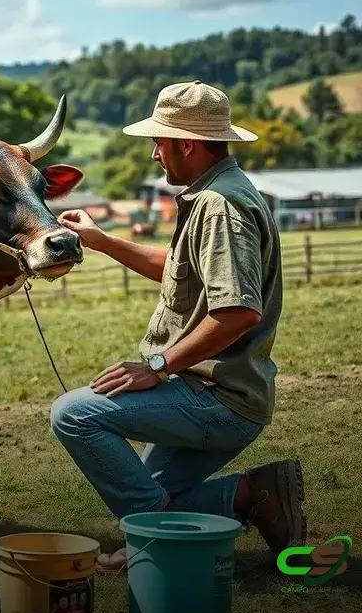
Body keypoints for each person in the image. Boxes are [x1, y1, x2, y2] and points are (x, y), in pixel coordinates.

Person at [50, 80, 306, 570]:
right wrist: (102, 241)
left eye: (158, 142)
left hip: (215, 397)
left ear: (186, 143)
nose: (153, 155)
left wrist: (159, 365)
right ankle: (252, 494)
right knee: (153, 502)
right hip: (221, 390)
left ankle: (159, 535)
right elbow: (178, 265)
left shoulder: (218, 205)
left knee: (74, 414)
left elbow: (238, 312)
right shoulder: (219, 191)